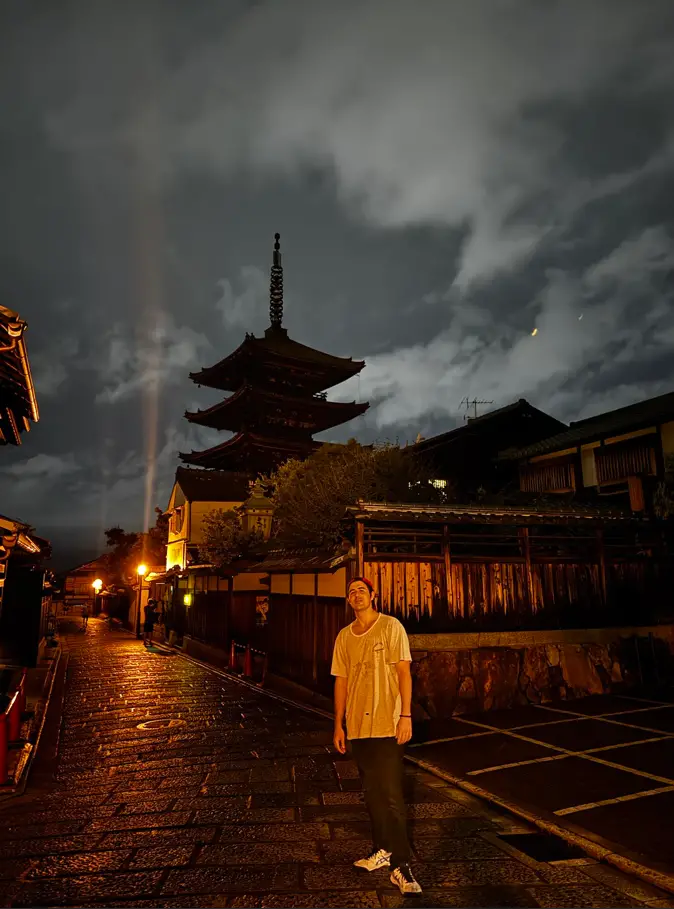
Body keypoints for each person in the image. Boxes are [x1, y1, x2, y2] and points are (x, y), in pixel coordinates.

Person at [331, 576, 422, 896]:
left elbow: (403, 672)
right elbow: (340, 681)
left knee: (392, 795)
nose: (356, 595)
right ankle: (382, 850)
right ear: (348, 600)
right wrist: (338, 724)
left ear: (373, 595)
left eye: (361, 591)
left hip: (387, 721)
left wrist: (406, 715)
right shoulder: (344, 637)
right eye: (351, 592)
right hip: (357, 724)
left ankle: (402, 864)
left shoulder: (390, 627)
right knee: (371, 793)